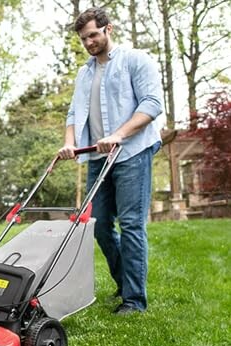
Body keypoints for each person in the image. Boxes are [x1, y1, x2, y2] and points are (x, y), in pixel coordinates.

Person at [58, 7, 163, 315]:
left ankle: (134, 300)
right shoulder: (84, 73)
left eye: (93, 34)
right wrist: (68, 143)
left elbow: (152, 104)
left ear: (108, 29)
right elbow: (74, 114)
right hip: (97, 157)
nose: (89, 42)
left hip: (132, 152)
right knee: (100, 225)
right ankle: (124, 284)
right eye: (83, 38)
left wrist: (119, 134)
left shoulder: (135, 60)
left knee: (130, 224)